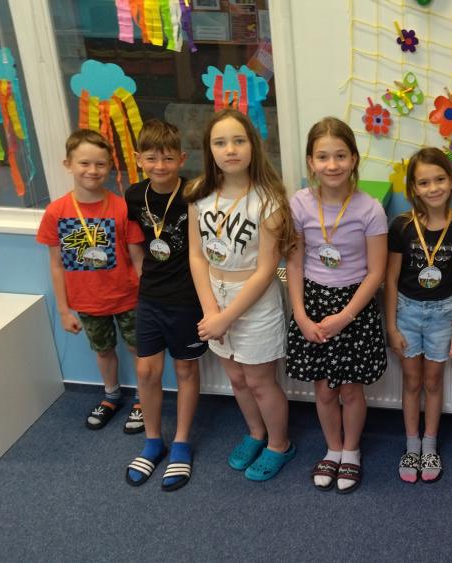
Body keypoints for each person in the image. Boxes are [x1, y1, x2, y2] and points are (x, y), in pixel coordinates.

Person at [187, 109, 298, 482]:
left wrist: (226, 316)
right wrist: (211, 310)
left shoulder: (268, 200)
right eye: (220, 142)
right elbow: (196, 255)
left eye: (238, 141)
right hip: (214, 297)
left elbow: (266, 270)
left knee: (259, 382)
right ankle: (255, 433)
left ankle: (279, 445)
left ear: (253, 145)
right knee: (236, 378)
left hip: (253, 300)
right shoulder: (199, 194)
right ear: (209, 150)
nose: (230, 149)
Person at [287, 117, 388, 494]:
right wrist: (300, 314)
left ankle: (351, 451)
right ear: (310, 162)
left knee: (350, 390)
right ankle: (332, 448)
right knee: (324, 389)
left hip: (353, 307)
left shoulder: (370, 209)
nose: (332, 165)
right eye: (323, 156)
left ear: (354, 159)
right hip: (312, 302)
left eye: (341, 155)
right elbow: (294, 263)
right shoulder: (299, 203)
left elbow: (376, 272)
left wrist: (345, 317)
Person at [36, 129, 145, 432]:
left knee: (139, 350)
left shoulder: (122, 208)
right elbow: (56, 264)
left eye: (100, 164)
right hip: (87, 301)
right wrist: (63, 310)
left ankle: (142, 398)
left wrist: (149, 298)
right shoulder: (56, 212)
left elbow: (138, 259)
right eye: (84, 163)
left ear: (110, 166)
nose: (92, 170)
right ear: (68, 164)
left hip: (128, 297)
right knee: (103, 350)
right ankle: (111, 396)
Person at [123, 119, 207, 491]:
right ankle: (153, 441)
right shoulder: (133, 196)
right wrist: (143, 276)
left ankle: (182, 443)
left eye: (169, 158)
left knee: (185, 370)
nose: (160, 166)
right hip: (151, 297)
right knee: (146, 372)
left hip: (187, 298)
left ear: (182, 159)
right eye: (152, 158)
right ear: (139, 158)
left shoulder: (194, 194)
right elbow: (136, 242)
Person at [385, 147, 452, 484]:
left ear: (451, 181)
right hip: (407, 312)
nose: (433, 188)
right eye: (424, 182)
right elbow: (391, 278)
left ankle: (430, 445)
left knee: (434, 381)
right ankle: (412, 446)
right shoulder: (401, 226)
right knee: (412, 381)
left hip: (443, 314)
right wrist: (391, 326)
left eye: (439, 179)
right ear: (413, 188)